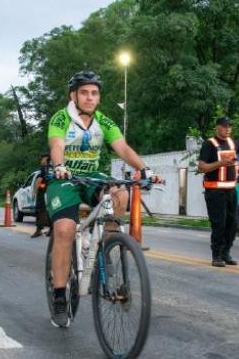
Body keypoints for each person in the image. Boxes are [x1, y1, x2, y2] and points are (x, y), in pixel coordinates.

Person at [46, 70, 161, 328]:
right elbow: (56, 145)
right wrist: (59, 165)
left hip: (92, 177)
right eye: (84, 92)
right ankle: (60, 297)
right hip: (64, 178)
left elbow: (123, 148)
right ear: (73, 95)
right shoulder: (61, 118)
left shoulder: (105, 122)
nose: (89, 97)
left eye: (94, 93)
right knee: (64, 229)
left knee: (120, 194)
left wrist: (146, 170)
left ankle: (106, 245)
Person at [197, 116, 239, 267]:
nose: (228, 129)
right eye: (224, 126)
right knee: (219, 224)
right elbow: (201, 167)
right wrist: (221, 163)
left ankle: (226, 252)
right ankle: (217, 255)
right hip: (215, 191)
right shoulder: (210, 144)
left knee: (233, 223)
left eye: (229, 126)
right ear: (217, 127)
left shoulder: (232, 143)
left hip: (230, 190)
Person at [30, 153, 51, 238]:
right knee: (50, 211)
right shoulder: (53, 168)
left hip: (43, 193)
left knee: (40, 211)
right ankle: (51, 230)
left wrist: (34, 191)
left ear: (46, 159)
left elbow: (39, 179)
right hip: (52, 192)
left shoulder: (44, 168)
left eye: (42, 159)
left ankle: (38, 230)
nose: (41, 161)